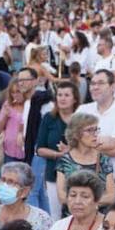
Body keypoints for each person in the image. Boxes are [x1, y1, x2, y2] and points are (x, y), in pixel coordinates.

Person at [35, 80, 80, 218]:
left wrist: (71, 150)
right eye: (60, 95)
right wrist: (59, 154)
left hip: (79, 174)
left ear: (75, 99)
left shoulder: (81, 119)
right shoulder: (49, 118)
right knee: (55, 214)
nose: (62, 98)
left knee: (77, 213)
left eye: (67, 95)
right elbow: (40, 149)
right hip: (53, 173)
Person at [79, 69, 115, 159]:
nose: (95, 87)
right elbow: (71, 141)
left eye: (101, 83)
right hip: (82, 171)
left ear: (113, 87)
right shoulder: (82, 110)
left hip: (113, 172)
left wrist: (84, 143)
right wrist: (105, 143)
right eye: (92, 83)